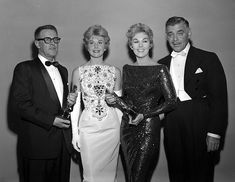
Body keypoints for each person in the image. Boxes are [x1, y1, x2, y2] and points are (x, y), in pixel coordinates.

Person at [158, 16, 228, 182]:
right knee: (176, 172)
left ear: (189, 33)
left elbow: (219, 99)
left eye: (180, 33)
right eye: (170, 34)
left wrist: (215, 133)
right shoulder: (161, 64)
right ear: (166, 36)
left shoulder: (208, 58)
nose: (175, 39)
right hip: (172, 124)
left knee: (201, 174)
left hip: (200, 122)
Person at [106, 23, 177, 182]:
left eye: (144, 41)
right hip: (127, 128)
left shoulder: (160, 69)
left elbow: (172, 101)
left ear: (150, 44)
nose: (140, 45)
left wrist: (145, 115)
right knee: (131, 176)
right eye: (136, 41)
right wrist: (116, 100)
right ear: (131, 45)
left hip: (148, 129)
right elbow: (128, 100)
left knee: (139, 176)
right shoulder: (127, 69)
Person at [11, 24, 77, 182]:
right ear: (37, 43)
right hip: (37, 147)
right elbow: (20, 105)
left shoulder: (63, 70)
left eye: (55, 39)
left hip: (63, 146)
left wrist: (70, 103)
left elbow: (60, 105)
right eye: (47, 39)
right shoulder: (24, 68)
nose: (53, 43)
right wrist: (52, 120)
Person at [70, 25, 122, 182]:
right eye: (91, 42)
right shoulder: (77, 72)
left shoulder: (115, 72)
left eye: (100, 42)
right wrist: (74, 134)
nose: (96, 46)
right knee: (91, 177)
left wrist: (120, 132)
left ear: (106, 45)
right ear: (86, 46)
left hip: (111, 130)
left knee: (109, 177)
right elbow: (74, 106)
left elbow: (120, 106)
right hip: (88, 130)